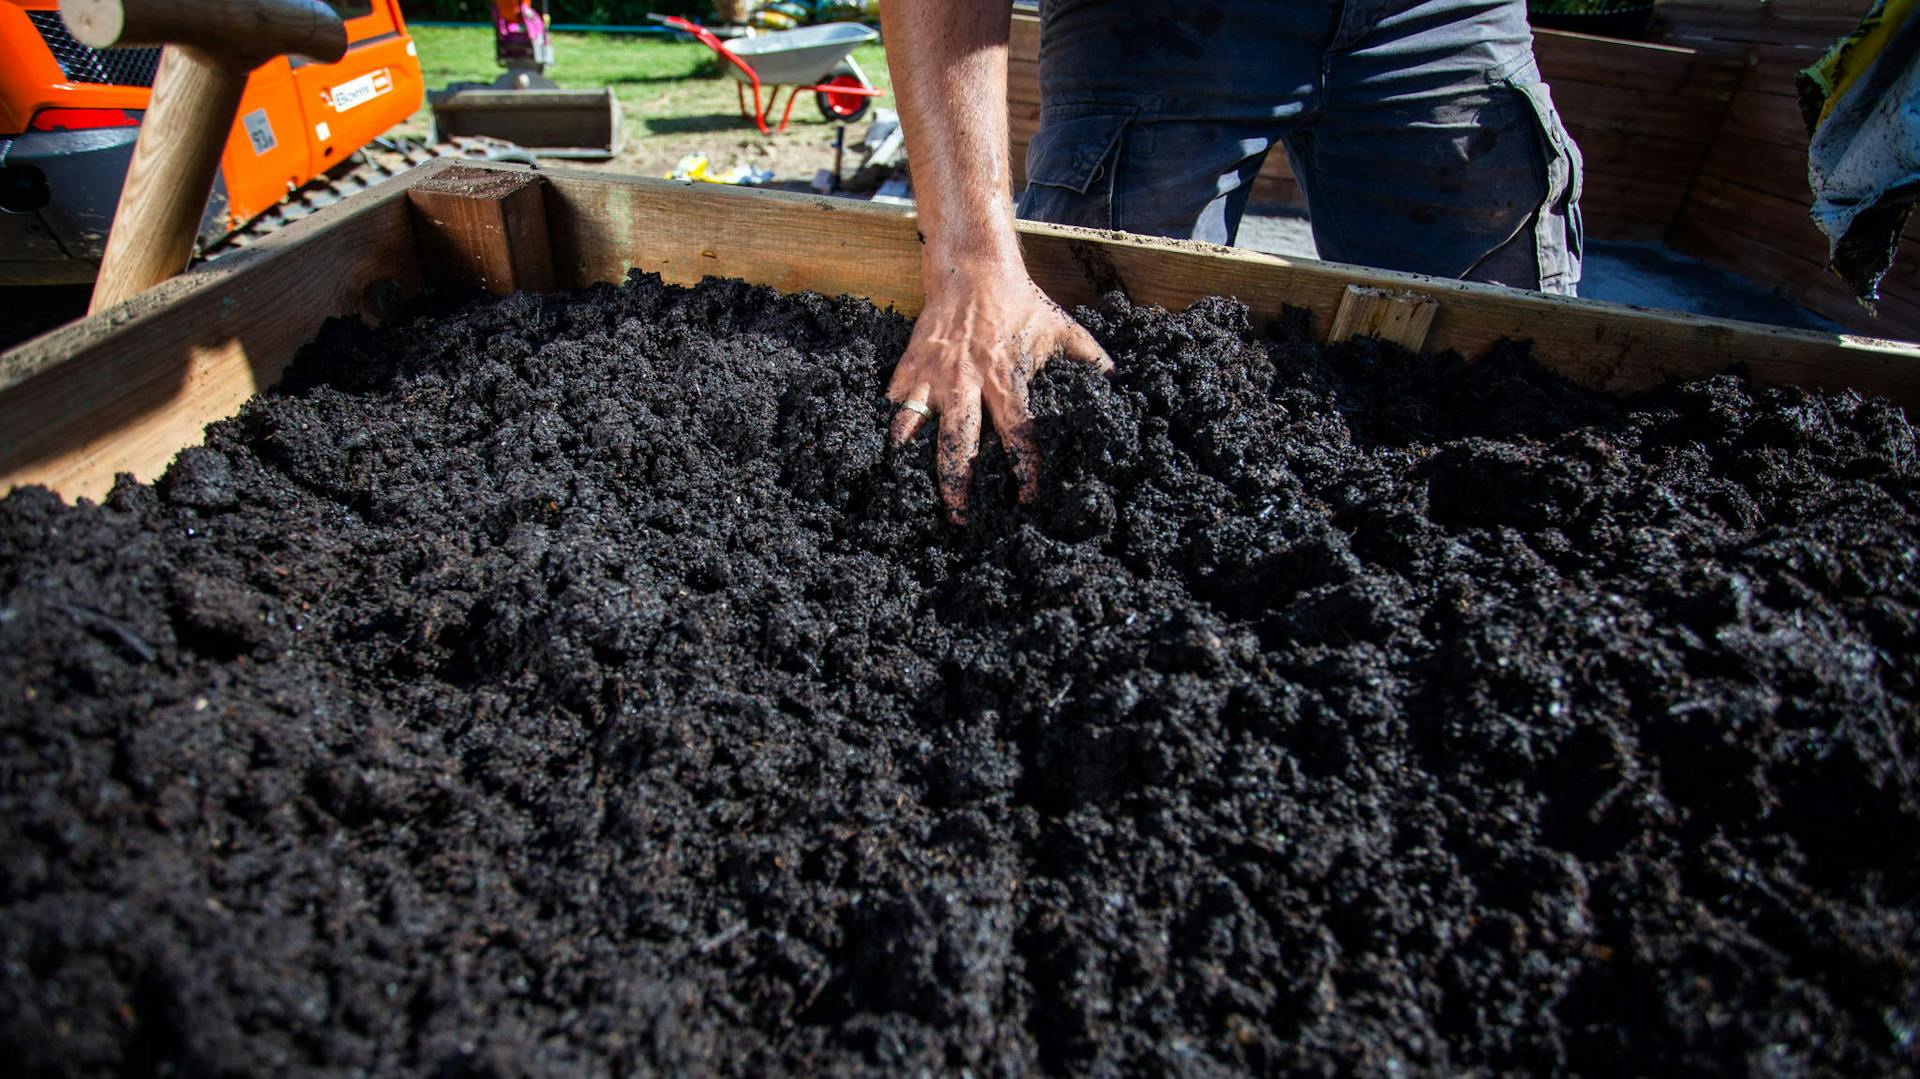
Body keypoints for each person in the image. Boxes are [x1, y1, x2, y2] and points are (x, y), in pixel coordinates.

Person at [878, 0, 1585, 524]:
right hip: (1165, 21)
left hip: (1435, 14)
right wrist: (969, 257)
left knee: (1511, 379)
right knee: (1097, 366)